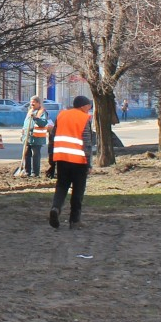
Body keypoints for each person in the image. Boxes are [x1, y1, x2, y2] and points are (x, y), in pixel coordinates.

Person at [48, 94, 95, 228]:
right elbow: (87, 142)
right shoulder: (84, 118)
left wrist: (52, 159)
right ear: (82, 106)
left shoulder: (61, 115)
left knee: (62, 186)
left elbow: (53, 137)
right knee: (78, 190)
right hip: (79, 160)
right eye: (88, 106)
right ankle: (75, 220)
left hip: (61, 158)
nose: (89, 109)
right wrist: (89, 163)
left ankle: (55, 208)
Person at [19, 95, 51, 179]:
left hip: (37, 138)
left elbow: (43, 123)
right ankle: (27, 171)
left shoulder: (42, 112)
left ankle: (35, 172)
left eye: (33, 102)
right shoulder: (30, 111)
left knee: (35, 154)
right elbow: (25, 124)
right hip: (27, 137)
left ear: (38, 103)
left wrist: (36, 118)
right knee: (26, 154)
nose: (32, 104)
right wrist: (22, 134)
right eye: (31, 102)